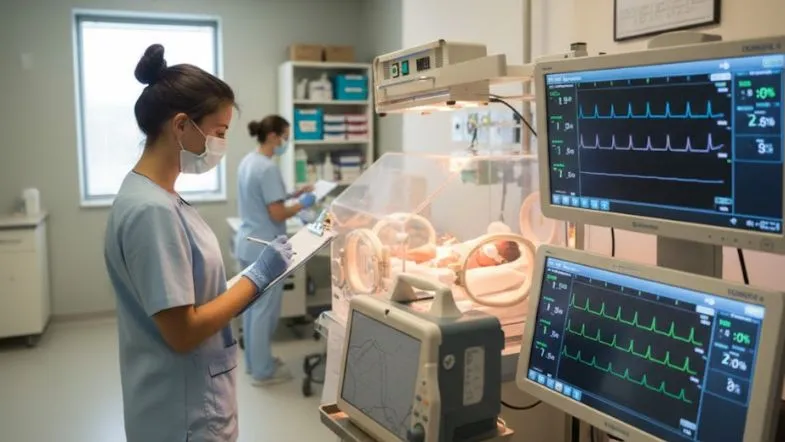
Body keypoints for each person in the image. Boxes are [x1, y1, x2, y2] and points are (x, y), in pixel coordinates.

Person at [103, 44, 293, 442]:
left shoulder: (153, 193)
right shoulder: (151, 211)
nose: (221, 143)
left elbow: (188, 294)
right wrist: (257, 278)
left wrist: (246, 281)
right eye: (219, 132)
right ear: (181, 125)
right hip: (184, 411)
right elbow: (183, 331)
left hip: (177, 396)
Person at [234, 115, 316, 385]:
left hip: (248, 242)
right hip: (265, 247)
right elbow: (277, 212)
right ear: (273, 136)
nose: (286, 142)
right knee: (263, 311)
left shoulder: (250, 161)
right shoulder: (268, 168)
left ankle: (254, 364)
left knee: (250, 309)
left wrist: (293, 193)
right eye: (285, 137)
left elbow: (267, 198)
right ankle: (263, 372)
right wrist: (303, 204)